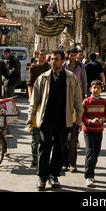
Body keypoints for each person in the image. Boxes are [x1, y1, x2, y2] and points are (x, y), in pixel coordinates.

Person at [26, 49, 83, 191]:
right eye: (51, 59)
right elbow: (35, 100)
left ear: (62, 61)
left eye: (56, 59)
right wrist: (31, 116)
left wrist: (80, 115)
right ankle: (42, 177)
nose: (53, 61)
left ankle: (54, 175)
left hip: (64, 119)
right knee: (44, 146)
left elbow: (77, 99)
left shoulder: (71, 78)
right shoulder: (43, 78)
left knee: (59, 147)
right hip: (47, 119)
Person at [63, 47, 88, 172]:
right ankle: (64, 162)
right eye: (71, 55)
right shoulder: (63, 66)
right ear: (68, 55)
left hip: (77, 99)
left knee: (73, 136)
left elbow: (84, 80)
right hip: (65, 100)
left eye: (75, 55)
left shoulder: (81, 66)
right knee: (63, 137)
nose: (73, 57)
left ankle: (72, 163)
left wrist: (84, 95)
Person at [82, 79, 106, 187]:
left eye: (98, 88)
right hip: (88, 130)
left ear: (101, 89)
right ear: (90, 89)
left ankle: (92, 171)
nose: (96, 90)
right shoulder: (86, 101)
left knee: (96, 152)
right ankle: (89, 175)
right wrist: (89, 121)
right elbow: (82, 115)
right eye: (94, 88)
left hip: (99, 130)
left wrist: (102, 119)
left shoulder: (103, 102)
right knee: (90, 151)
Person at [26, 49, 50, 167]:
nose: (43, 56)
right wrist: (31, 96)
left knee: (45, 129)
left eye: (45, 55)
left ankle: (44, 155)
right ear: (37, 56)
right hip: (36, 100)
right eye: (41, 55)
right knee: (35, 131)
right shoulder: (33, 68)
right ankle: (34, 155)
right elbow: (29, 83)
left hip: (46, 100)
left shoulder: (49, 67)